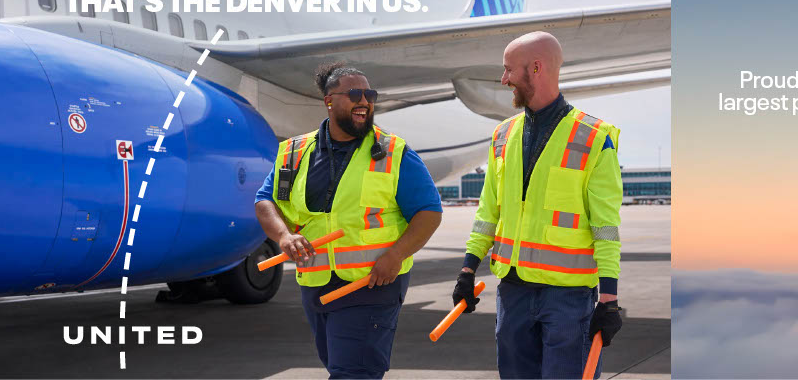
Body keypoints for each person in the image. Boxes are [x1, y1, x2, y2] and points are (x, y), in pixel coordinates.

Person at [452, 31, 624, 379]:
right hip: (513, 291)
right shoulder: (503, 134)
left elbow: (605, 226)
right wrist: (468, 269)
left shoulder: (593, 137)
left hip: (568, 296)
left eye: (508, 70)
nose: (504, 80)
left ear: (535, 67)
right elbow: (488, 213)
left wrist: (608, 299)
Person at [255, 62, 443, 379]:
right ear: (329, 101)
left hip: (371, 284)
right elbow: (266, 201)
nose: (365, 101)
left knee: (352, 373)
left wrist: (396, 255)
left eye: (370, 94)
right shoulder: (293, 154)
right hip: (316, 284)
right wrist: (284, 237)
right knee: (340, 367)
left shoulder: (392, 152)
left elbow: (429, 212)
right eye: (355, 94)